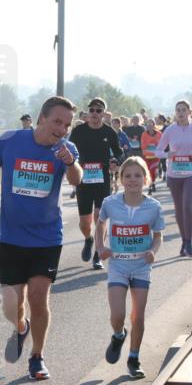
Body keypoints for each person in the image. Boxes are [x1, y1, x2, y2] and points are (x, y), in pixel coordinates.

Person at [0, 96, 81, 381]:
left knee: (38, 297)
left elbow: (76, 179)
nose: (62, 129)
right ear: (41, 118)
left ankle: (37, 356)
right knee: (12, 305)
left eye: (67, 125)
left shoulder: (66, 150)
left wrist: (70, 163)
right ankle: (21, 327)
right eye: (57, 121)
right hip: (12, 237)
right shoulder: (11, 141)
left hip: (47, 237)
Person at [96, 157, 165, 379]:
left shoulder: (154, 207)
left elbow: (158, 236)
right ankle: (118, 335)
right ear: (121, 179)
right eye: (128, 176)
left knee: (138, 316)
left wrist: (153, 251)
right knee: (118, 315)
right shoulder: (110, 203)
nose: (133, 180)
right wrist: (100, 247)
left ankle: (134, 358)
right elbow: (100, 225)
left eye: (137, 176)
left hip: (141, 267)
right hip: (118, 265)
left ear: (146, 179)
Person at [69, 97, 123, 270]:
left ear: (105, 114)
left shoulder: (109, 132)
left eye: (98, 111)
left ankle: (98, 253)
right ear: (88, 112)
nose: (94, 114)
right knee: (85, 223)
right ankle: (88, 239)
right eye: (92, 110)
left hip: (102, 179)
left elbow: (119, 153)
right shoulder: (78, 131)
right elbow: (69, 149)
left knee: (100, 217)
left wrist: (115, 161)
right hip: (83, 180)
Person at [154, 99, 192, 257]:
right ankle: (184, 242)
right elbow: (158, 151)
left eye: (184, 110)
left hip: (191, 172)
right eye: (178, 110)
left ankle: (190, 243)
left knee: (187, 205)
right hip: (174, 173)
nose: (181, 113)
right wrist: (167, 154)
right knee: (179, 208)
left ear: (189, 112)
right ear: (175, 113)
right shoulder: (170, 130)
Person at [141, 119, 163, 194]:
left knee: (153, 171)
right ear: (146, 126)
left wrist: (155, 144)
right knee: (149, 171)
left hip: (156, 156)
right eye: (148, 125)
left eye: (151, 124)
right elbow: (143, 146)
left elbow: (162, 145)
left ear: (154, 125)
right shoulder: (144, 134)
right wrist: (151, 143)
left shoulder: (159, 134)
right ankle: (151, 184)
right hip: (147, 156)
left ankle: (151, 184)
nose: (150, 126)